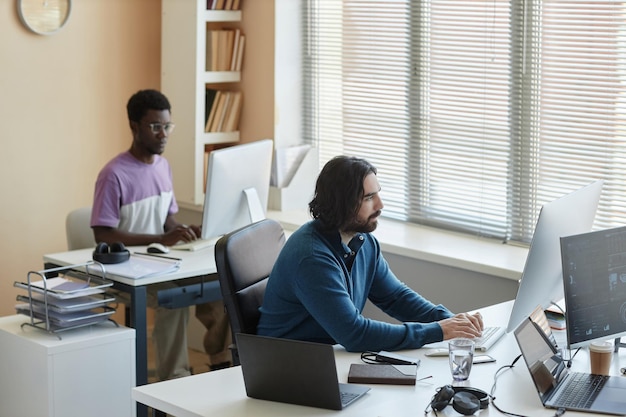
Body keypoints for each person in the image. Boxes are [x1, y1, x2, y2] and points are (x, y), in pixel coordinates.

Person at [257, 155, 484, 352]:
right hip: (287, 367)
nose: (380, 205)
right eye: (368, 198)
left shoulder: (363, 241)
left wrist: (452, 321)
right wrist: (437, 332)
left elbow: (396, 297)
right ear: (342, 204)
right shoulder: (312, 258)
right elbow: (355, 334)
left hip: (326, 358)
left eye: (378, 194)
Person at [90, 89, 231, 380]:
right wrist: (158, 239)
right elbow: (102, 234)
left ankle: (220, 362)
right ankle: (174, 379)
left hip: (160, 262)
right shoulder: (113, 174)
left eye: (167, 126)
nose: (163, 134)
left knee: (222, 285)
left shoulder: (163, 166)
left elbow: (166, 218)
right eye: (155, 127)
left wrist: (179, 230)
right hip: (127, 271)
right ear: (134, 126)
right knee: (174, 299)